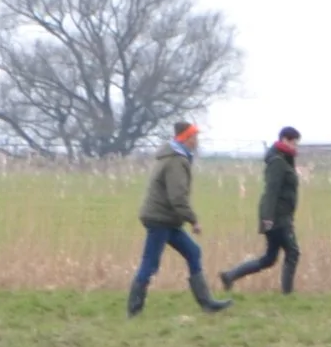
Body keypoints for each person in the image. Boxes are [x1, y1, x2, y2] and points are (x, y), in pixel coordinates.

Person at [128, 121, 230, 317]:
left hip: (167, 218)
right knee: (150, 264)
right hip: (160, 218)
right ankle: (134, 310)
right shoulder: (177, 161)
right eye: (195, 137)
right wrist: (193, 220)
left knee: (193, 251)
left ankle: (207, 303)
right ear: (186, 138)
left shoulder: (174, 156)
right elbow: (177, 197)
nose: (197, 141)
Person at [220, 125, 303, 295]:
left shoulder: (284, 159)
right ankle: (287, 294)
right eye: (294, 143)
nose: (296, 146)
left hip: (280, 214)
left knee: (269, 258)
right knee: (293, 252)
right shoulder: (277, 162)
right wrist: (267, 218)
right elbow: (272, 191)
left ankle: (229, 276)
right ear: (285, 140)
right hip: (277, 216)